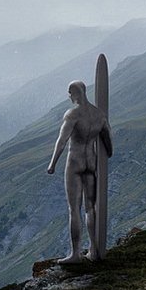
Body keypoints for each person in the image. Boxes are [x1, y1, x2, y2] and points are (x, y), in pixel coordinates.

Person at [47, 80, 113, 262]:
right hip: (91, 162)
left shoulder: (73, 114)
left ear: (75, 92)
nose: (69, 96)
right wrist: (109, 151)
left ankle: (75, 253)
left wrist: (52, 164)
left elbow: (62, 140)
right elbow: (108, 139)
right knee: (90, 207)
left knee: (74, 209)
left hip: (75, 162)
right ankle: (94, 249)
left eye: (70, 92)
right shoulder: (99, 114)